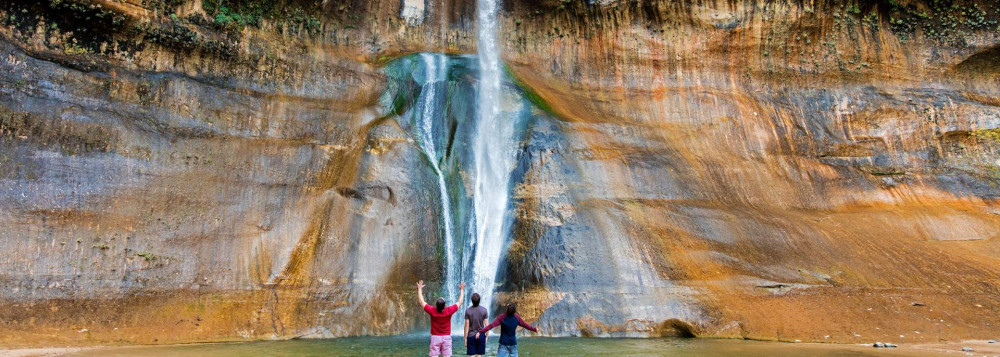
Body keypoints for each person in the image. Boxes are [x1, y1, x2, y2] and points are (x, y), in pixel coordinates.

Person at [417, 280, 466, 357]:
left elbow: (421, 302)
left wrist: (419, 288)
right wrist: (461, 290)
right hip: (446, 337)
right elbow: (460, 302)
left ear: (436, 305)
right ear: (445, 305)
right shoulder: (449, 310)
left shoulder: (432, 310)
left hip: (435, 337)